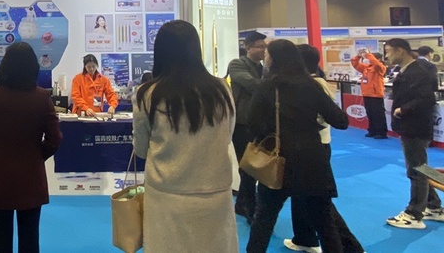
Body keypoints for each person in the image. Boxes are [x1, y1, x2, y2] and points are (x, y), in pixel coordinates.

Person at [133, 20, 238, 252]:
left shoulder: (147, 94)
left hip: (167, 193)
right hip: (215, 190)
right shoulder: (222, 89)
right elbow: (228, 135)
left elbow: (140, 148)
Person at [246, 40, 349, 253]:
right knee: (324, 222)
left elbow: (253, 123)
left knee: (264, 219)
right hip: (313, 159)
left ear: (274, 59)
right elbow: (341, 121)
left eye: (268, 54)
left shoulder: (267, 86)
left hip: (280, 159)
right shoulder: (311, 85)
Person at [0, 42, 62, 253]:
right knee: (30, 240)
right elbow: (55, 138)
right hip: (31, 176)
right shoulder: (42, 97)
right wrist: (37, 156)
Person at [286, 45, 364, 253]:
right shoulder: (317, 82)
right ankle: (304, 238)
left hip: (313, 147)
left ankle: (351, 247)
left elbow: (336, 118)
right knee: (301, 196)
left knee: (320, 202)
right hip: (314, 146)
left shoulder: (312, 85)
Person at [383, 38, 443, 229]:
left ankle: (414, 214)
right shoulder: (407, 71)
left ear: (400, 50)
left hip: (415, 127)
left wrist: (403, 109)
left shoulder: (418, 72)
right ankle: (434, 206)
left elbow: (426, 99)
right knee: (420, 167)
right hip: (410, 127)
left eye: (388, 51)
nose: (386, 56)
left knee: (416, 170)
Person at [226, 31, 266, 224]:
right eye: (259, 46)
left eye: (265, 47)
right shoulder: (237, 64)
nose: (263, 50)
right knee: (247, 167)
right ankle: (249, 207)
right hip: (242, 123)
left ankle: (243, 203)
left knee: (256, 166)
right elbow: (252, 85)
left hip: (260, 122)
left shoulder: (265, 68)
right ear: (248, 47)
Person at [350, 47, 388, 139]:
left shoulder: (380, 68)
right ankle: (372, 130)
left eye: (371, 57)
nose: (368, 59)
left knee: (378, 114)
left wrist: (368, 54)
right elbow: (355, 64)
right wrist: (358, 56)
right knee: (370, 113)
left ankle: (381, 132)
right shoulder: (366, 68)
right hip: (367, 93)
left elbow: (376, 64)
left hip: (376, 94)